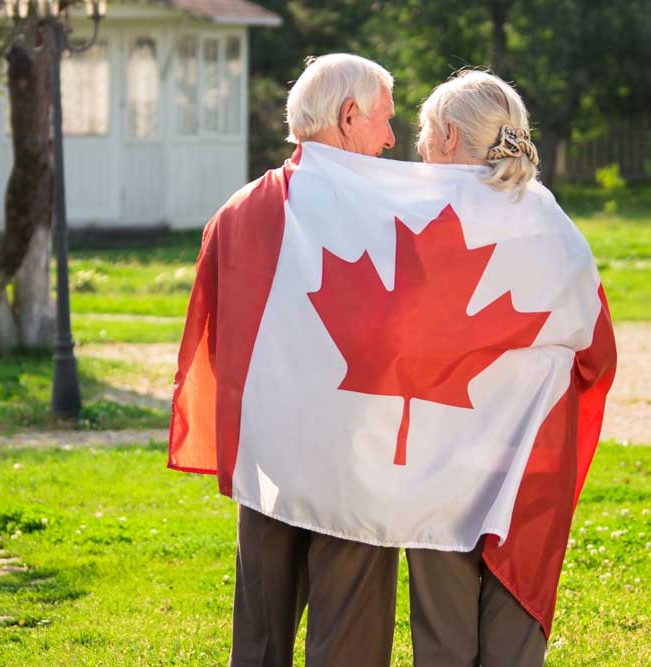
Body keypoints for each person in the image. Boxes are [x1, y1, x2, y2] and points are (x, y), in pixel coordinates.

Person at [168, 54, 399, 667]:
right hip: (356, 456)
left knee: (260, 638)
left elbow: (218, 338)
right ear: (350, 117)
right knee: (348, 636)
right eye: (384, 120)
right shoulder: (390, 212)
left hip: (266, 456)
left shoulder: (237, 210)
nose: (391, 138)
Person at [406, 69, 578, 667]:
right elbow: (596, 344)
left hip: (442, 448)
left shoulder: (418, 219)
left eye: (425, 134)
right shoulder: (556, 222)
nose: (420, 147)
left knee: (441, 626)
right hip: (534, 452)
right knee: (515, 626)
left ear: (449, 137)